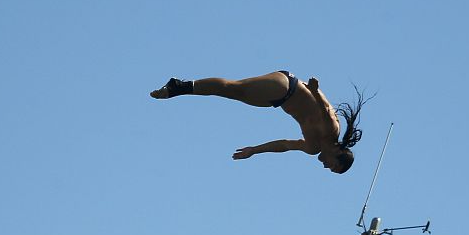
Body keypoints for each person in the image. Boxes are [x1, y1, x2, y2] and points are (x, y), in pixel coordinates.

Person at [150, 71, 366, 174]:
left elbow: (284, 145)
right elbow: (326, 110)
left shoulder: (312, 148)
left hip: (279, 100)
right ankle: (178, 87)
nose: (326, 166)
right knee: (234, 88)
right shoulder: (331, 131)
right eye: (332, 166)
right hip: (286, 87)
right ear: (337, 153)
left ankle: (179, 86)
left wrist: (255, 150)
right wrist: (316, 91)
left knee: (231, 93)